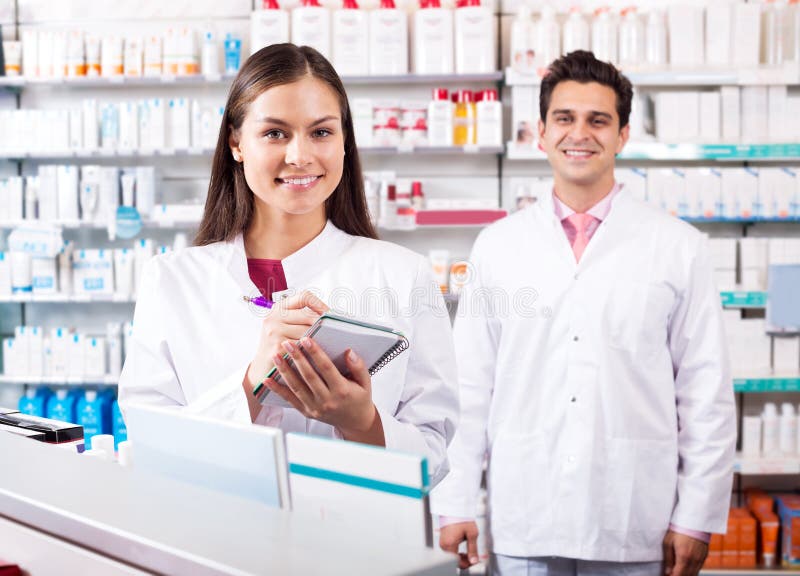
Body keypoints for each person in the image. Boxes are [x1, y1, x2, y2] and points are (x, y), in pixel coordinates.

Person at [431, 50, 736, 575]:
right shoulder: (499, 247)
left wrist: (696, 516)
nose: (581, 133)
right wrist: (455, 498)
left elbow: (705, 390)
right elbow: (470, 386)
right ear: (541, 133)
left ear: (622, 136)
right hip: (525, 512)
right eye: (565, 118)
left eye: (599, 120)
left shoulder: (677, 246)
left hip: (631, 515)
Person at [118, 43, 458, 484]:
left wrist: (362, 424)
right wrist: (251, 386)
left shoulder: (402, 275)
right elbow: (150, 446)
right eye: (275, 133)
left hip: (359, 544)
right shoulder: (171, 280)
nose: (300, 156)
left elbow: (434, 457)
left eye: (321, 132)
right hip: (216, 540)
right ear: (236, 143)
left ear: (343, 142)